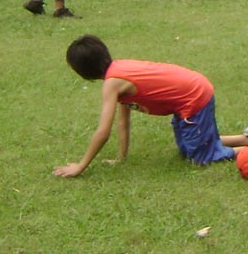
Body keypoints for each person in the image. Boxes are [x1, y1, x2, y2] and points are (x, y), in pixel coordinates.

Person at [53, 35, 235, 177]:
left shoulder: (113, 83)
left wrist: (80, 166)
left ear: (84, 70)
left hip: (194, 97)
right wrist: (121, 158)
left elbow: (103, 132)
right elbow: (123, 122)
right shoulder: (118, 71)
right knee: (187, 149)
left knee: (201, 158)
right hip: (192, 92)